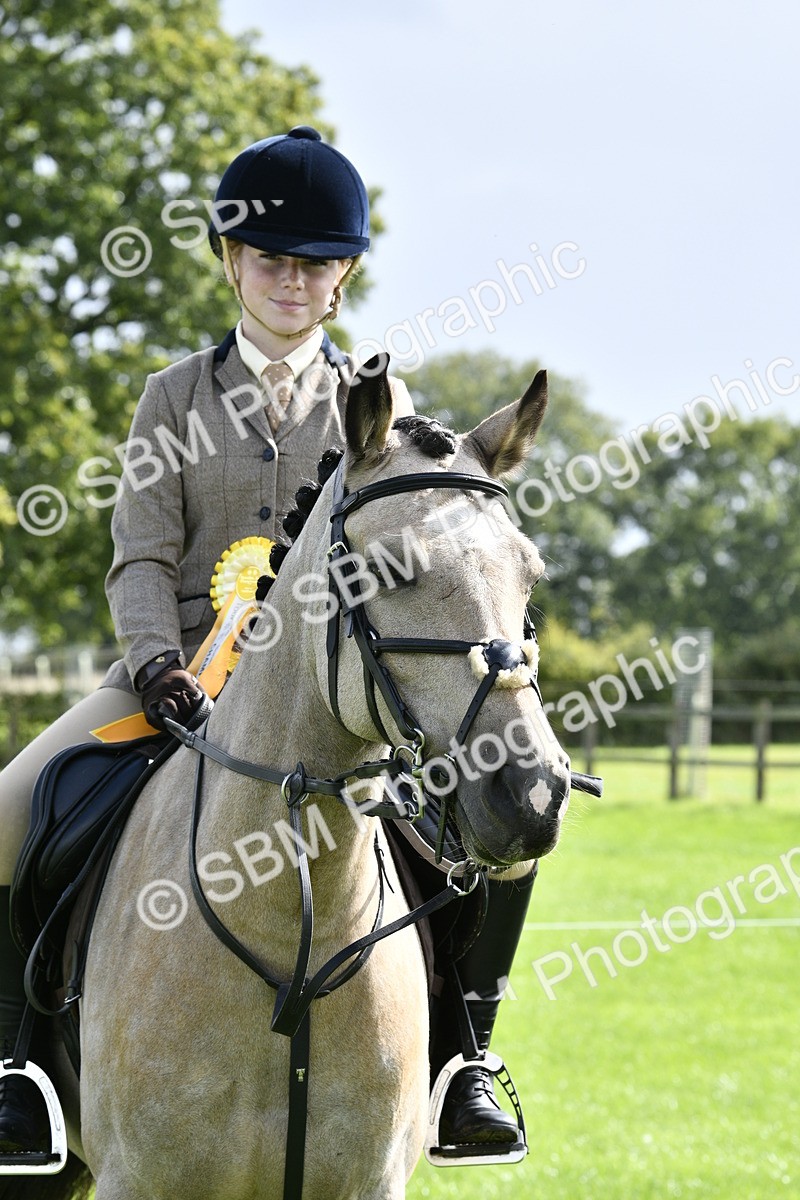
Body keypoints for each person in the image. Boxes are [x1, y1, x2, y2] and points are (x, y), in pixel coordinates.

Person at [0, 126, 536, 1163]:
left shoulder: (386, 410)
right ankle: (21, 1070)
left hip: (331, 697)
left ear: (342, 280)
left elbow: (415, 566)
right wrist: (157, 663)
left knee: (496, 832)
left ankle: (461, 1061)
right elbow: (141, 559)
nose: (290, 281)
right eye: (269, 260)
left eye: (314, 264)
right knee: (9, 810)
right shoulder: (175, 395)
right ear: (229, 262)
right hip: (172, 679)